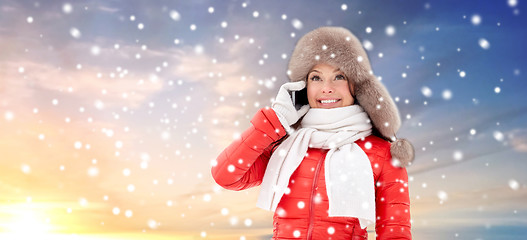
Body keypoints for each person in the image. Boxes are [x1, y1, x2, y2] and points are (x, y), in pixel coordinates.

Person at [211, 27, 415, 239]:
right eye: (316, 78)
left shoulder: (384, 154)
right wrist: (275, 119)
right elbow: (225, 176)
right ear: (302, 87)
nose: (326, 88)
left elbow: (395, 233)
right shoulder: (284, 147)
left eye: (339, 77)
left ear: (356, 86)